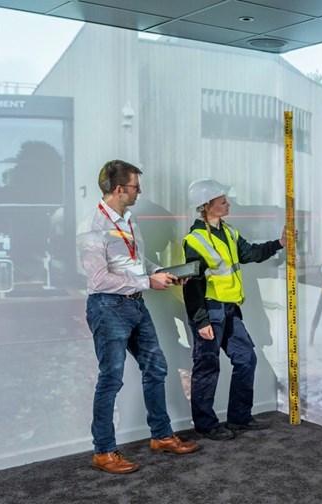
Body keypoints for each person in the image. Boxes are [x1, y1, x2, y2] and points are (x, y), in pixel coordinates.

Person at [77, 159, 199, 475]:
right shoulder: (93, 226)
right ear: (119, 189)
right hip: (108, 307)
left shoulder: (128, 219)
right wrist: (149, 282)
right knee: (111, 378)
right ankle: (103, 452)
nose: (138, 191)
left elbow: (136, 260)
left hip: (135, 305)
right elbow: (99, 280)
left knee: (156, 366)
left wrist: (160, 273)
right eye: (135, 186)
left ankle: (160, 435)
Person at [182, 178, 285, 441]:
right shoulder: (195, 240)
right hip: (209, 312)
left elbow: (250, 254)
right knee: (207, 366)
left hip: (230, 311)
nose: (228, 203)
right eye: (223, 201)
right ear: (206, 206)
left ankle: (239, 417)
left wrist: (279, 243)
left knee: (246, 359)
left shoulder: (228, 232)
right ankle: (206, 424)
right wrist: (200, 319)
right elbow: (192, 285)